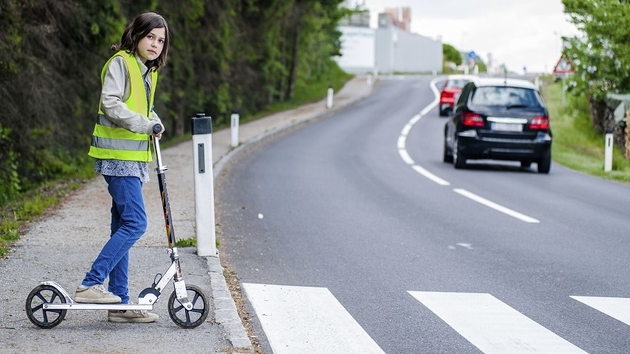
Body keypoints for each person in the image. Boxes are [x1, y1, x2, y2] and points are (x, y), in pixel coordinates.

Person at [74, 12, 170, 324]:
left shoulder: (148, 72)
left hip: (133, 160)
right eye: (150, 37)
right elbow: (111, 103)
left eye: (161, 40)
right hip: (118, 158)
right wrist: (146, 123)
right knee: (136, 223)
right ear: (137, 35)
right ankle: (90, 283)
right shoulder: (121, 62)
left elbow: (143, 107)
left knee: (122, 227)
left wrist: (154, 119)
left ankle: (119, 301)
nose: (155, 44)